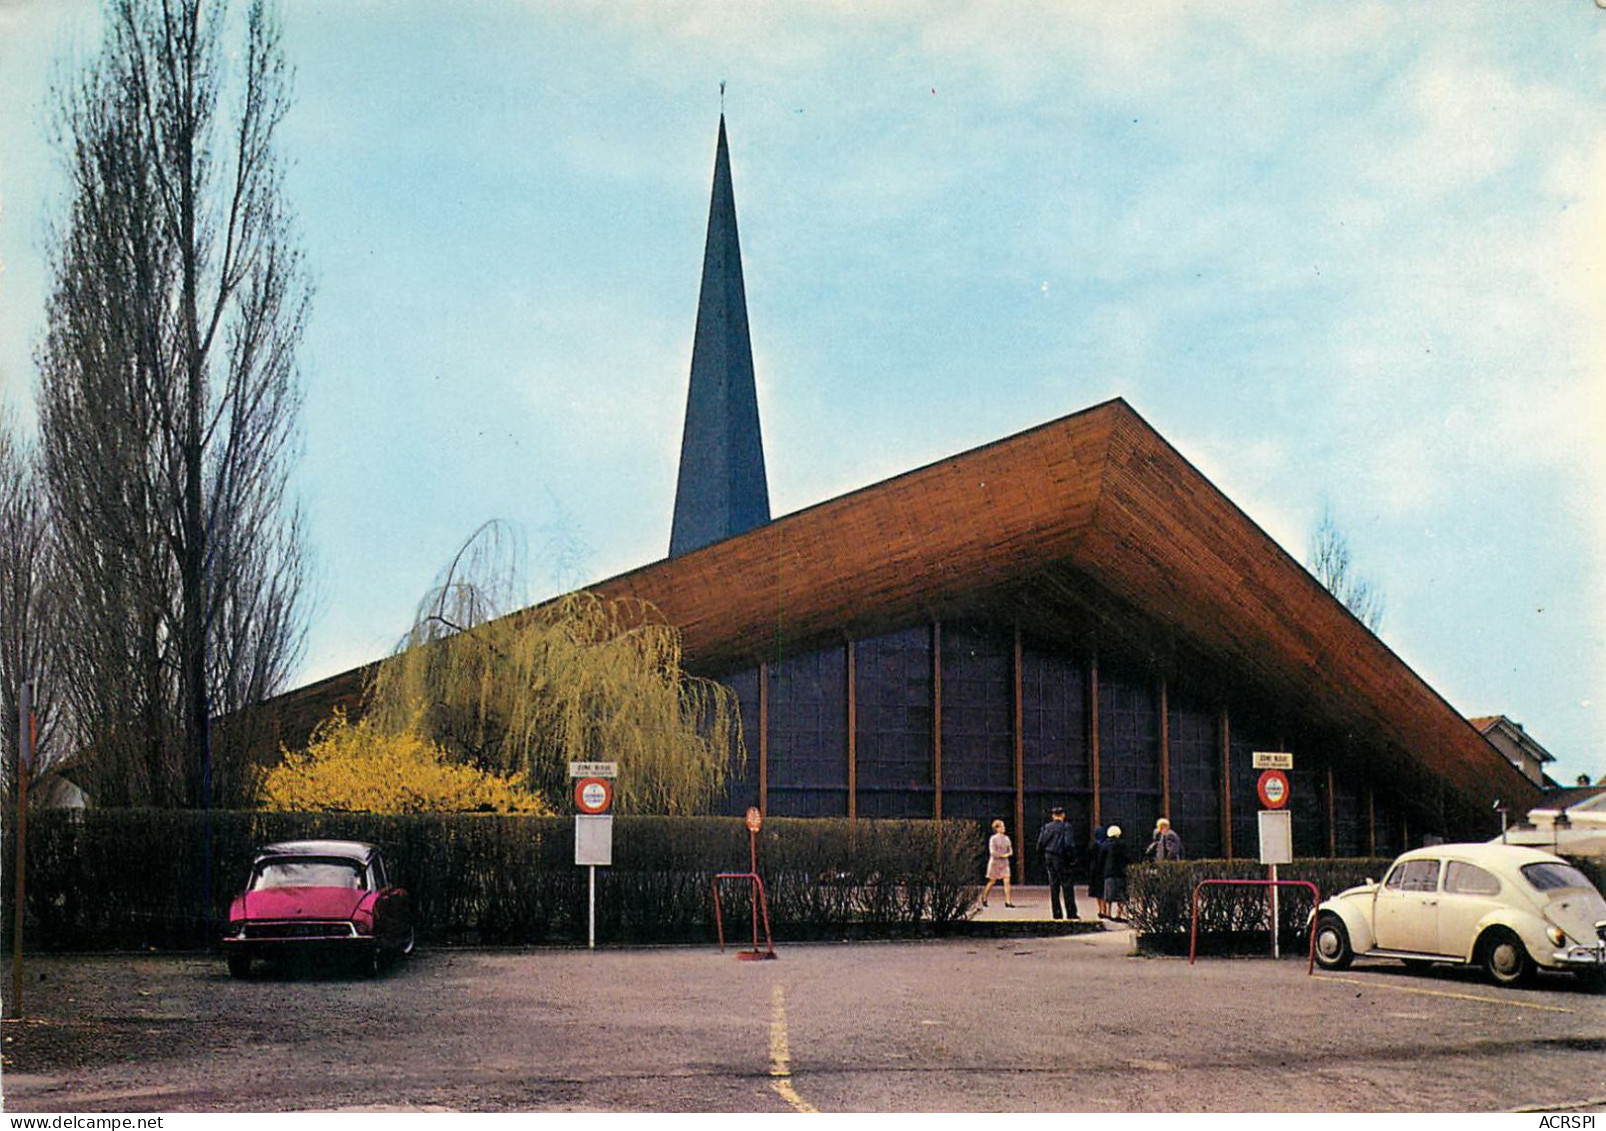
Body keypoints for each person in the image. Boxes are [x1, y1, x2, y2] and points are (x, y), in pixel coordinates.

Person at [1036, 806, 1078, 920]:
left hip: (1050, 856)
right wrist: (1072, 858)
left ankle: (1057, 913)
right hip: (1062, 857)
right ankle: (1071, 912)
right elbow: (1069, 844)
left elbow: (1040, 843)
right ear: (1063, 815)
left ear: (1053, 816)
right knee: (1067, 885)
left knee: (1054, 886)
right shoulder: (1066, 827)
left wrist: (1043, 855)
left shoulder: (1047, 827)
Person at [981, 819, 1015, 907]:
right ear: (997, 828)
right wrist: (1002, 855)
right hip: (995, 862)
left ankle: (1008, 901)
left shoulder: (1007, 838)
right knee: (992, 881)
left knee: (1007, 881)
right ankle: (984, 897)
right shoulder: (993, 839)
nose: (1004, 828)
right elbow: (992, 852)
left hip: (1004, 863)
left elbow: (1010, 850)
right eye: (1002, 826)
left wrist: (1008, 854)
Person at [1102, 824, 1129, 921]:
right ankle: (1119, 914)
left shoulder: (1105, 845)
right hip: (1121, 872)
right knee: (1121, 895)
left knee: (1108, 895)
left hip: (1109, 872)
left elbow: (1102, 858)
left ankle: (1108, 912)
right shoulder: (1123, 844)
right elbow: (1127, 857)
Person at [1087, 825, 1108, 919]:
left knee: (1097, 891)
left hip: (1095, 870)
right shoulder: (1106, 845)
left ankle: (1100, 909)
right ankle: (1105, 910)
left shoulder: (1093, 845)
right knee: (1104, 890)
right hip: (1104, 869)